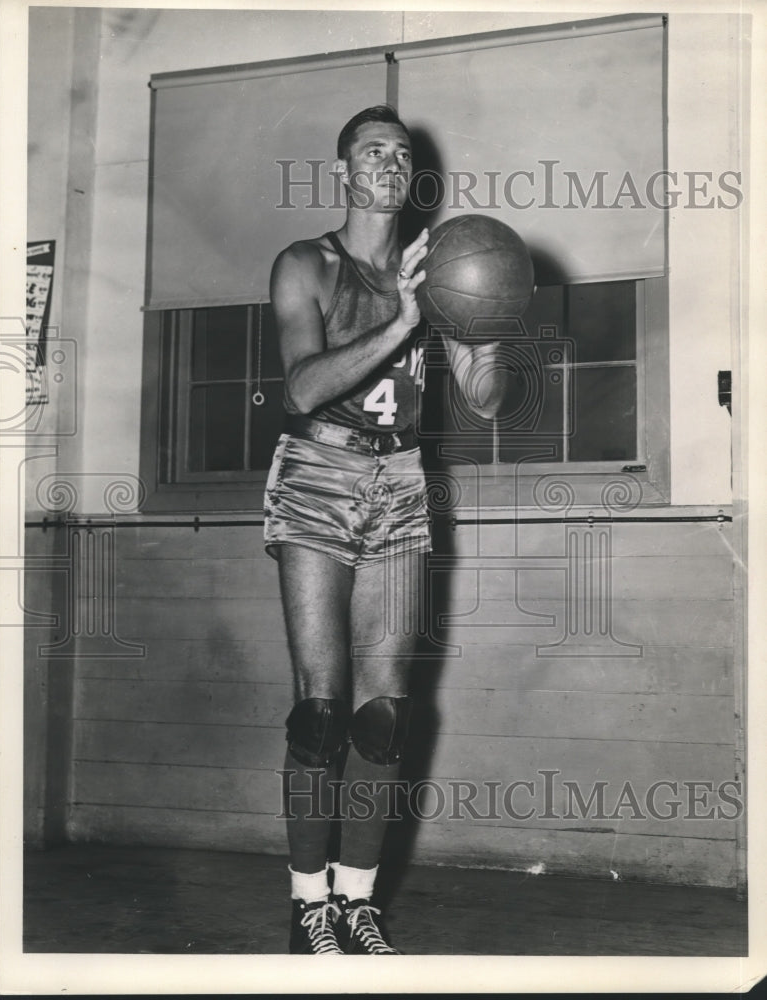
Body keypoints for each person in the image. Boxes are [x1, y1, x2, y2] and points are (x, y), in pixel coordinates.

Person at [264, 105, 514, 955]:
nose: (389, 162)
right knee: (321, 710)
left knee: (383, 715)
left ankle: (357, 902)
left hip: (403, 480)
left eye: (402, 154)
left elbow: (483, 401)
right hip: (317, 475)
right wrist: (405, 319)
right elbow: (299, 389)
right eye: (372, 151)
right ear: (344, 170)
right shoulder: (306, 264)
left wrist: (483, 323)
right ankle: (308, 907)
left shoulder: (437, 268)